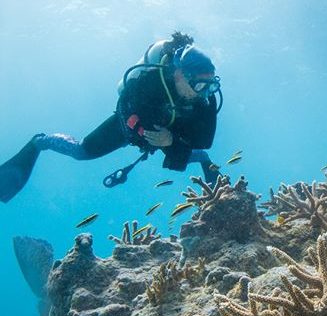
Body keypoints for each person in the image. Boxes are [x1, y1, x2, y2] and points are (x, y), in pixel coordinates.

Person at [0, 32, 222, 203]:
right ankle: (42, 142)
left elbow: (205, 141)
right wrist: (146, 134)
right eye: (199, 85)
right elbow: (128, 107)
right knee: (81, 152)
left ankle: (217, 186)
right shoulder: (149, 83)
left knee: (201, 154)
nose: (203, 92)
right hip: (130, 128)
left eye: (210, 86)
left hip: (166, 134)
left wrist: (171, 141)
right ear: (179, 74)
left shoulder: (205, 96)